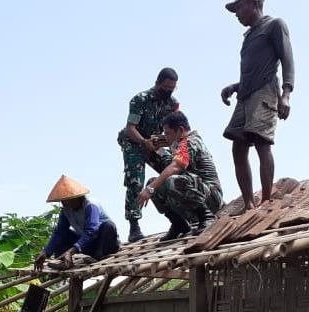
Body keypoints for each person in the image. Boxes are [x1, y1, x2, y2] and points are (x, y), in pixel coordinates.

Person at [222, 0, 294, 211]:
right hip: (245, 95)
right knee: (238, 146)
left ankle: (266, 201)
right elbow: (253, 70)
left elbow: (288, 60)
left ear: (253, 4)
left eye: (239, 8)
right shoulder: (249, 36)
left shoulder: (274, 25)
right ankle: (248, 204)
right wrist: (235, 86)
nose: (236, 14)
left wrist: (286, 94)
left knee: (262, 142)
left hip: (265, 90)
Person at [138, 111, 224, 241]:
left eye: (167, 133)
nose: (165, 137)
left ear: (180, 130)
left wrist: (150, 189)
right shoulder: (179, 145)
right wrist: (154, 146)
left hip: (211, 197)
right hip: (196, 193)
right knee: (153, 182)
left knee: (169, 182)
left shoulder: (190, 142)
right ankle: (179, 224)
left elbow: (175, 167)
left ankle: (206, 216)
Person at [118, 67, 180, 242]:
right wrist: (144, 142)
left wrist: (168, 145)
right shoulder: (140, 99)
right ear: (158, 83)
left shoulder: (172, 104)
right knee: (135, 180)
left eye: (172, 89)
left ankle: (179, 218)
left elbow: (174, 130)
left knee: (173, 167)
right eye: (166, 88)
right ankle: (134, 226)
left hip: (155, 142)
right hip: (134, 142)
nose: (168, 92)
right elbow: (130, 129)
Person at [34, 175, 120, 271]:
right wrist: (46, 252)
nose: (64, 204)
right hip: (89, 246)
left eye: (67, 200)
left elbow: (91, 231)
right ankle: (65, 262)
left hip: (105, 244)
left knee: (108, 226)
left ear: (76, 197)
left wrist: (71, 251)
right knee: (64, 235)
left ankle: (98, 256)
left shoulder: (91, 205)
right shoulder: (66, 210)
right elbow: (59, 232)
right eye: (62, 201)